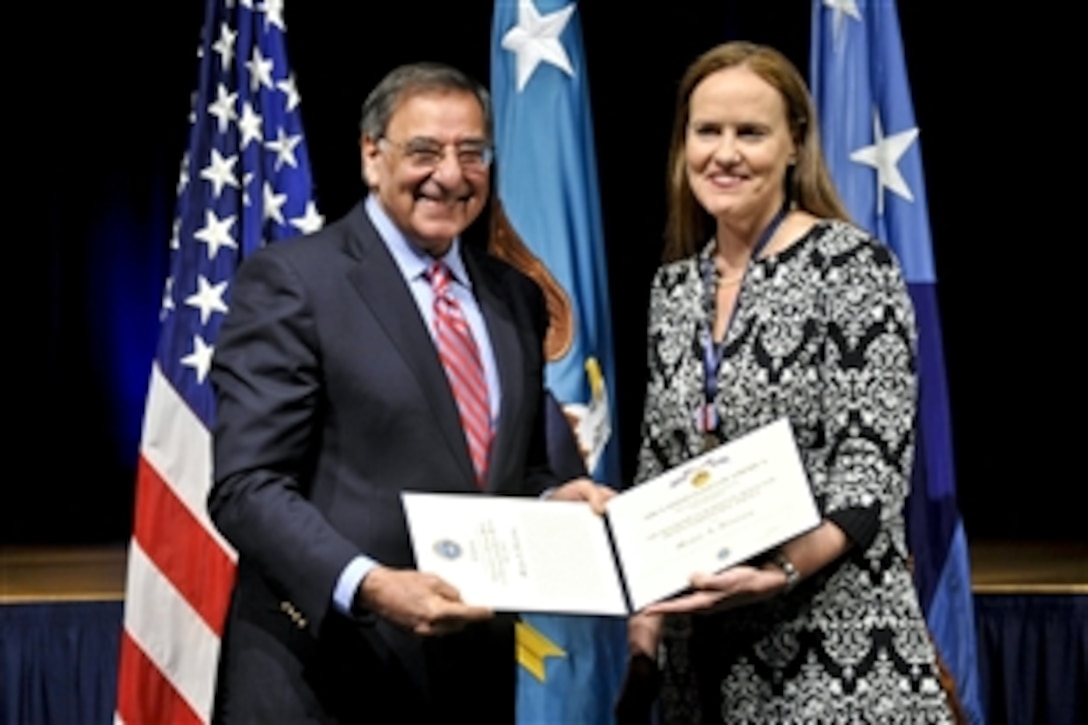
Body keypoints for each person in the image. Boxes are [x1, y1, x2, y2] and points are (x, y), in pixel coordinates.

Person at [207, 61, 611, 724]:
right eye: (424, 150)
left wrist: (553, 498)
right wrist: (368, 583)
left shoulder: (514, 297)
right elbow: (245, 487)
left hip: (469, 681)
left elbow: (525, 466)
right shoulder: (294, 282)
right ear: (372, 155)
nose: (450, 175)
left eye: (471, 153)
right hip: (323, 677)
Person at [625, 41, 957, 723]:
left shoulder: (853, 267)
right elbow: (660, 469)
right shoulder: (674, 287)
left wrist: (778, 571)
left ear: (793, 144)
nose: (725, 153)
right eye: (707, 130)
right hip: (703, 671)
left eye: (750, 132)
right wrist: (644, 628)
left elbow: (871, 473)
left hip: (838, 666)